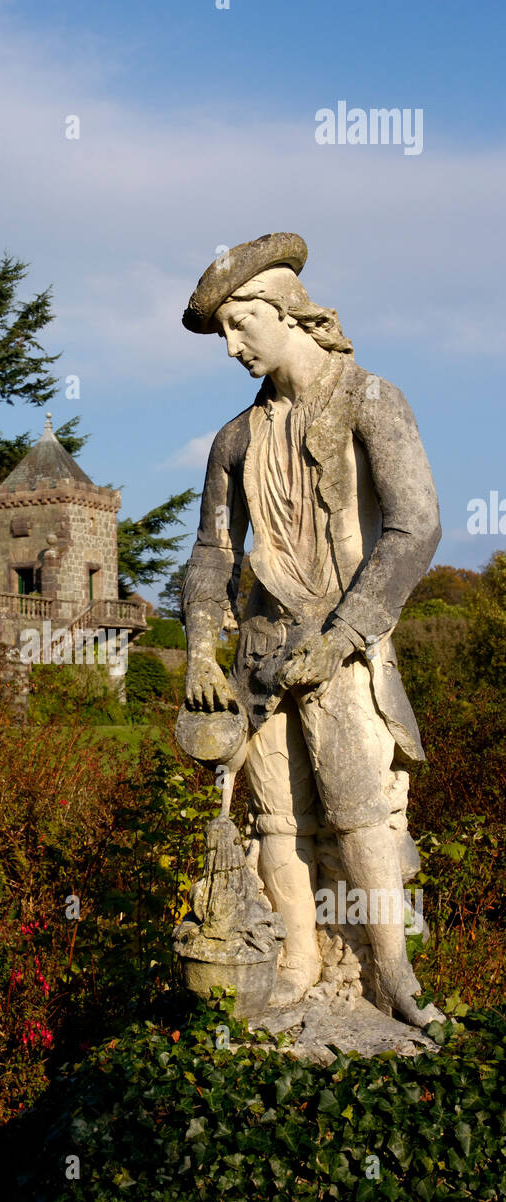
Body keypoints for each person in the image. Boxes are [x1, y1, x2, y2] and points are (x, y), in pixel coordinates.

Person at [181, 232, 443, 1027]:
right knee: (275, 817)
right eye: (223, 332)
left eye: (238, 325)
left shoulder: (370, 401)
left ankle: (389, 972)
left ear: (284, 312)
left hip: (342, 650)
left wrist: (343, 633)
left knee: (360, 808)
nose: (230, 347)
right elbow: (209, 552)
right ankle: (295, 962)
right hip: (258, 655)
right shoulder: (235, 439)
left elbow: (414, 527)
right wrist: (198, 645)